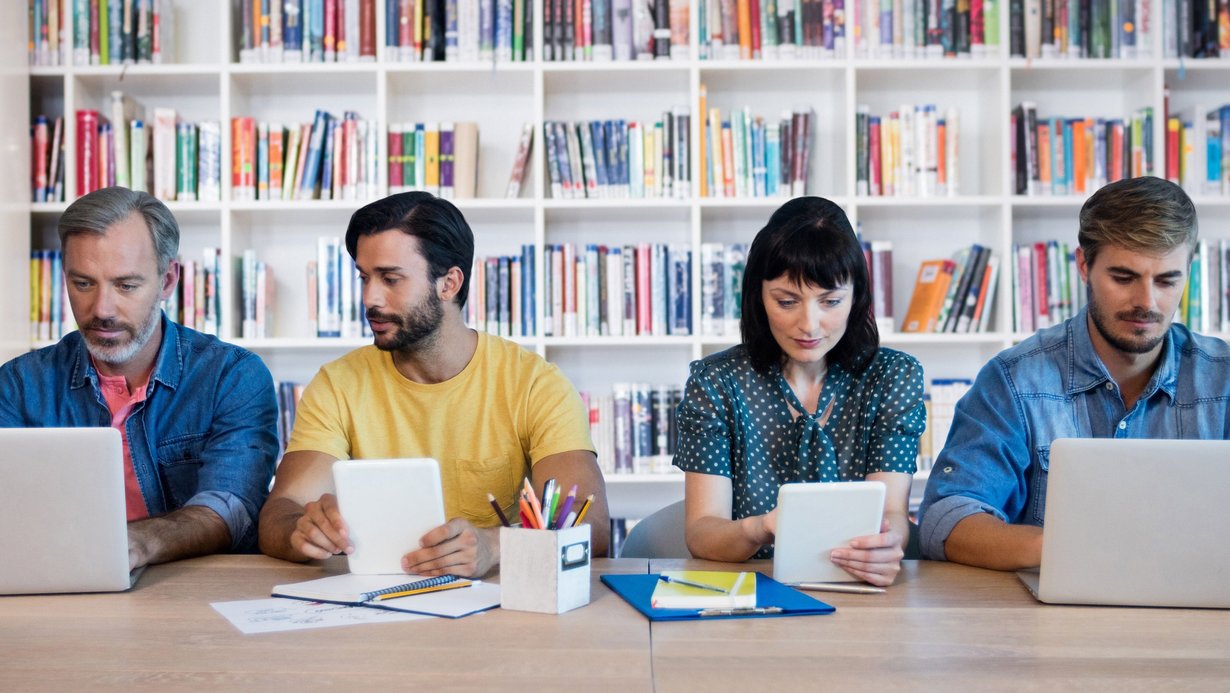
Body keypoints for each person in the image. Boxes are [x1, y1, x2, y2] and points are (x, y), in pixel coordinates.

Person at [258, 191, 610, 577]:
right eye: (364, 277)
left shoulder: (534, 383)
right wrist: (301, 529)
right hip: (375, 601)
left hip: (500, 605)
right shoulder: (338, 384)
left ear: (449, 283)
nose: (370, 298)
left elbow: (590, 527)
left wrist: (495, 546)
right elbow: (281, 509)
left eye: (391, 279)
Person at [918, 176, 1230, 570]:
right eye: (1123, 277)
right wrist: (1070, 550)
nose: (1146, 302)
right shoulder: (1015, 380)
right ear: (1084, 265)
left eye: (1168, 280)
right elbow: (945, 518)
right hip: (1052, 622)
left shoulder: (1223, 380)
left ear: (1190, 269)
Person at [0, 187, 280, 570]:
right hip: (63, 584)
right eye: (83, 283)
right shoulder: (18, 385)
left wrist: (134, 545)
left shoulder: (231, 376)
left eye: (126, 285)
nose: (102, 309)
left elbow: (232, 507)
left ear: (167, 281)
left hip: (198, 591)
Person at [674, 197, 925, 586]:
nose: (809, 324)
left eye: (830, 302)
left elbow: (891, 510)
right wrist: (762, 527)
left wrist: (889, 543)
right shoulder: (716, 382)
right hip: (751, 592)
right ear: (758, 296)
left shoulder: (892, 378)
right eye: (786, 301)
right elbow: (703, 533)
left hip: (859, 591)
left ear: (856, 296)